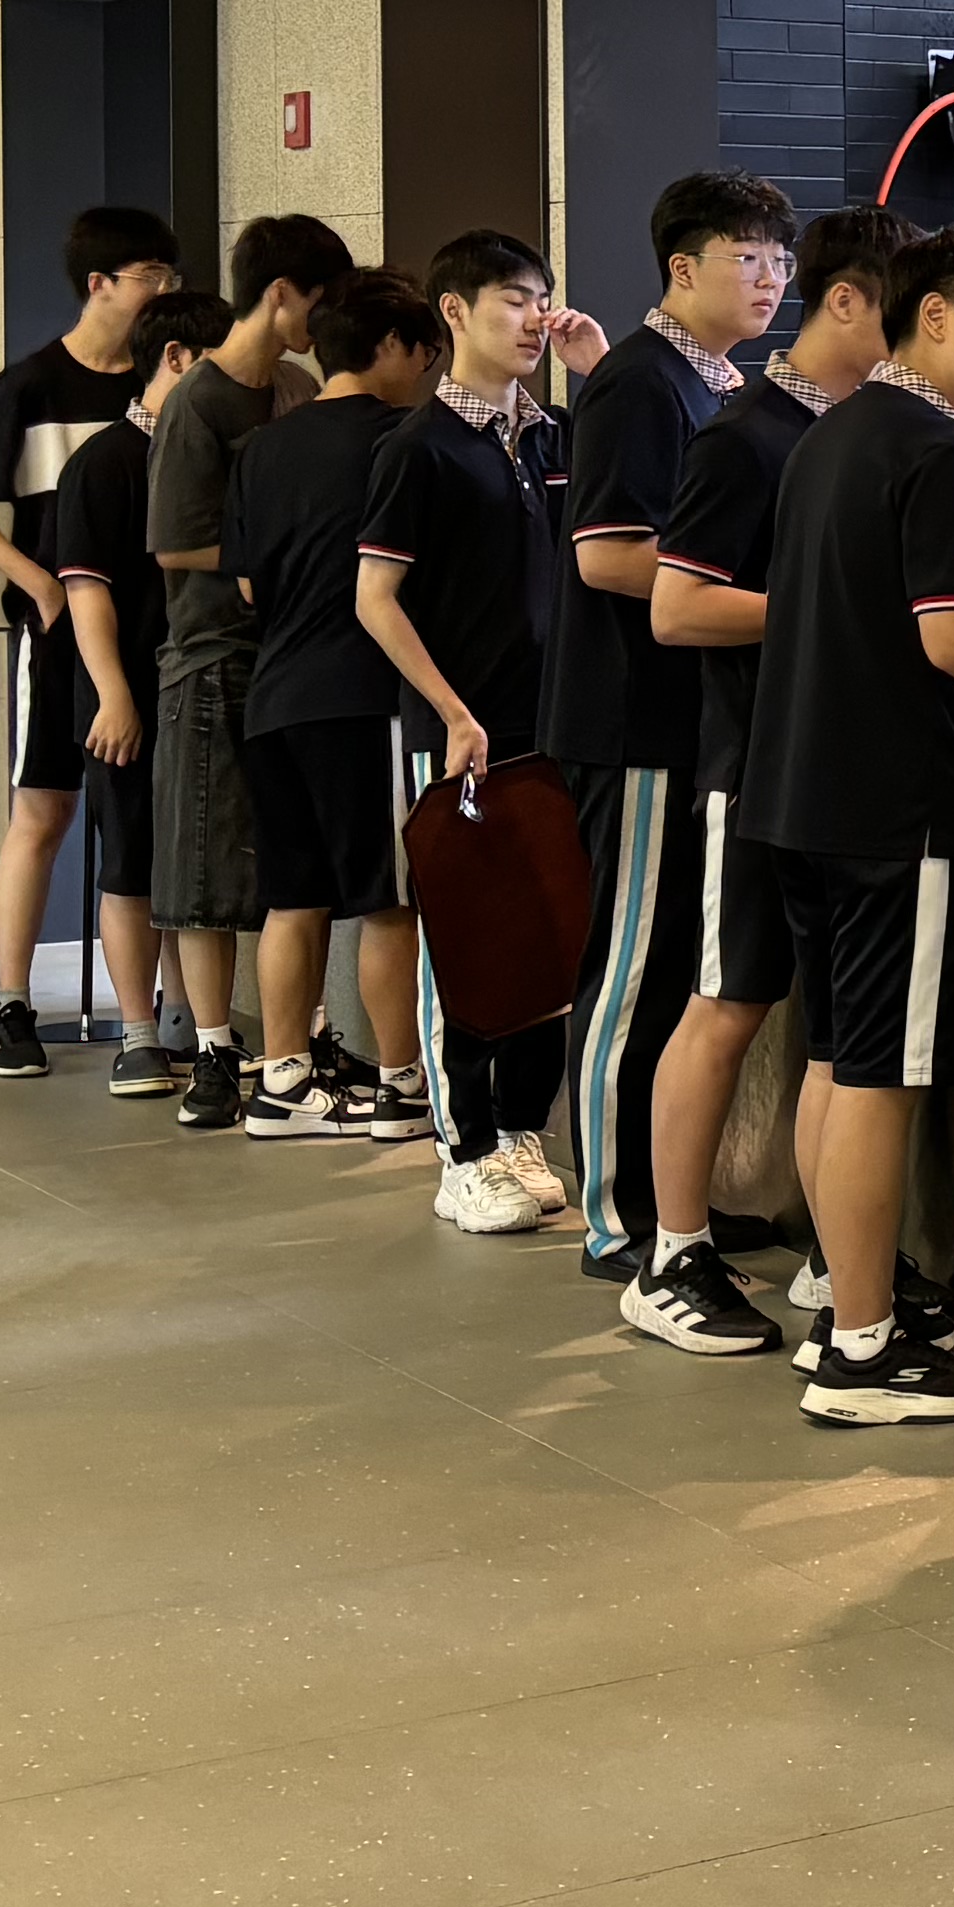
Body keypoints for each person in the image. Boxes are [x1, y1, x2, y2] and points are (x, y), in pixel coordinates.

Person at [740, 221, 954, 1424]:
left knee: (833, 1058)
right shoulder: (940, 446)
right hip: (895, 807)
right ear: (937, 316)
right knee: (879, 1074)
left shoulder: (835, 430)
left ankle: (840, 1307)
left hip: (804, 791)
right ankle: (865, 1351)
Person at [625, 213, 898, 1360]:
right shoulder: (746, 435)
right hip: (749, 767)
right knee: (728, 1001)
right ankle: (670, 1254)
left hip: (827, 773)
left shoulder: (856, 432)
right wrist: (839, 609)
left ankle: (840, 1257)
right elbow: (677, 607)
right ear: (851, 303)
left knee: (828, 1032)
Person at [553, 172, 797, 1282]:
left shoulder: (716, 382)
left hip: (693, 722)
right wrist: (773, 586)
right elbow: (608, 556)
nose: (769, 280)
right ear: (681, 267)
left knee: (674, 977)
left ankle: (671, 1197)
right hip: (633, 722)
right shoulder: (640, 384)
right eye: (746, 258)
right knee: (632, 972)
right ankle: (617, 1215)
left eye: (780, 261)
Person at [358, 231, 584, 1234]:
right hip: (455, 731)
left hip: (549, 726)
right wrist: (452, 710)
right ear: (454, 310)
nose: (536, 317)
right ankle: (463, 1150)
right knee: (465, 935)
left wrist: (595, 365)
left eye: (542, 297)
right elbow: (374, 598)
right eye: (513, 299)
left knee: (546, 935)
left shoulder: (551, 438)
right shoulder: (418, 447)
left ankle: (522, 1129)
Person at [0, 203, 182, 1078]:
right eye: (150, 276)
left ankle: (166, 1013)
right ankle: (9, 1005)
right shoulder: (30, 385)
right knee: (43, 810)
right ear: (98, 283)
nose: (164, 290)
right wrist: (35, 580)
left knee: (151, 826)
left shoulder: (162, 382)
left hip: (152, 636)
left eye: (171, 276)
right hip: (56, 640)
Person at [148, 215, 350, 1132]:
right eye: (317, 300)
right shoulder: (197, 400)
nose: (322, 319)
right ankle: (211, 1052)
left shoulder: (297, 389)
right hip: (211, 653)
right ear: (280, 295)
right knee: (203, 867)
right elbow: (172, 541)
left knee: (287, 867)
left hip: (289, 652)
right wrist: (265, 556)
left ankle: (295, 1044)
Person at [232, 267, 443, 1132]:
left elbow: (246, 586)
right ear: (390, 345)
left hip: (273, 697)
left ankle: (283, 1082)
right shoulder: (406, 439)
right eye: (424, 353)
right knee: (389, 898)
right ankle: (400, 1084)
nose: (427, 371)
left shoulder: (264, 447)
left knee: (294, 896)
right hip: (365, 697)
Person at [56, 293, 232, 1104]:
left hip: (203, 688)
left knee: (191, 869)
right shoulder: (105, 461)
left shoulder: (216, 454)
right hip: (127, 692)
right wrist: (113, 696)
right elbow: (85, 589)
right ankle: (136, 1033)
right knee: (128, 866)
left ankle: (189, 1023)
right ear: (176, 359)